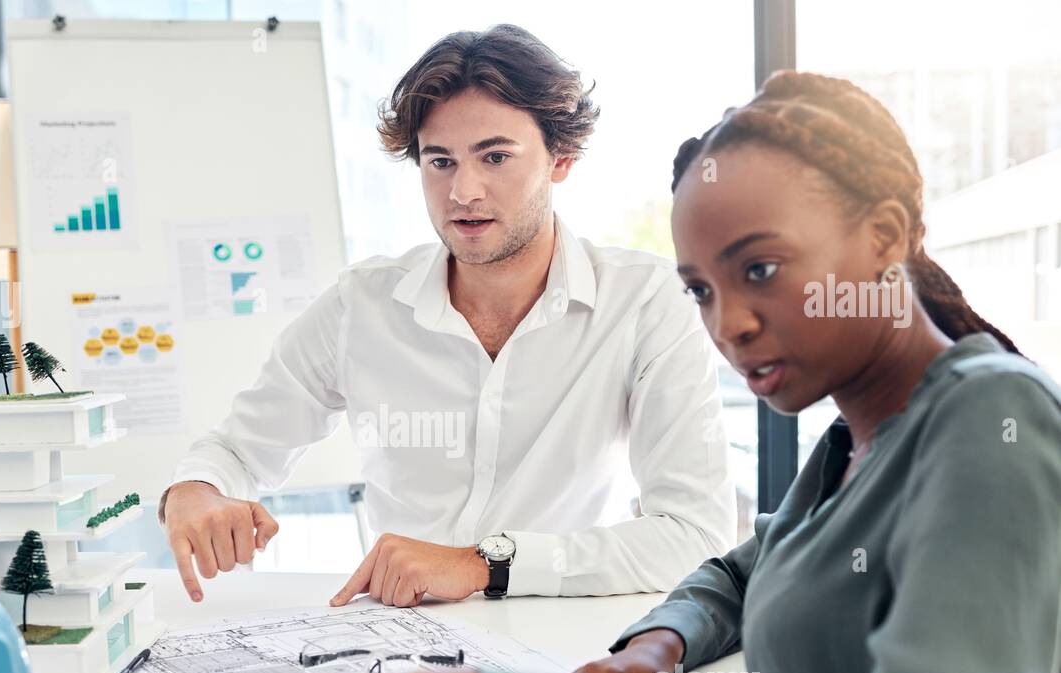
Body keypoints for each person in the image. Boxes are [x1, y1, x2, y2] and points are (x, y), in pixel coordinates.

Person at [193, 71, 1061, 673]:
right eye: (703, 290)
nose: (731, 326)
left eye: (761, 269)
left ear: (883, 238)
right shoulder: (852, 443)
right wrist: (652, 646)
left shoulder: (989, 421)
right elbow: (736, 572)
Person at [160, 24, 735, 608]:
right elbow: (237, 450)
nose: (464, 191)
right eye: (440, 162)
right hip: (403, 653)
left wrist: (484, 566)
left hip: (570, 653)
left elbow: (694, 535)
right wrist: (196, 489)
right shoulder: (361, 305)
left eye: (495, 156)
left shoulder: (645, 303)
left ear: (560, 158)